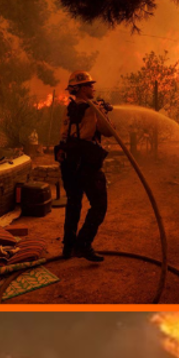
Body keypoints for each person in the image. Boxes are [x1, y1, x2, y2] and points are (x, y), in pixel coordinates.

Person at [55, 70, 114, 263]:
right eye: (89, 85)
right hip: (88, 163)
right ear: (79, 89)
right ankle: (83, 244)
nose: (93, 87)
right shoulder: (94, 108)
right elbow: (108, 132)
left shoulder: (68, 109)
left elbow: (64, 135)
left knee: (73, 204)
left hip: (70, 162)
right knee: (99, 205)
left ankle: (68, 247)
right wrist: (103, 112)